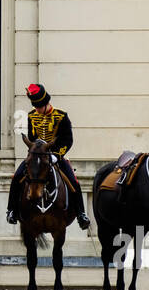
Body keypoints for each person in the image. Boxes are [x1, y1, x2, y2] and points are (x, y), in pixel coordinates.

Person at [6, 84, 91, 230]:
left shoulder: (61, 116)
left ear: (46, 104)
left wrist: (56, 155)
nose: (37, 109)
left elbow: (67, 139)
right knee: (17, 177)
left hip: (56, 156)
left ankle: (81, 214)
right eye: (36, 106)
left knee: (74, 181)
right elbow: (32, 138)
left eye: (40, 106)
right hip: (36, 156)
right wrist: (35, 151)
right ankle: (11, 211)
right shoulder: (32, 116)